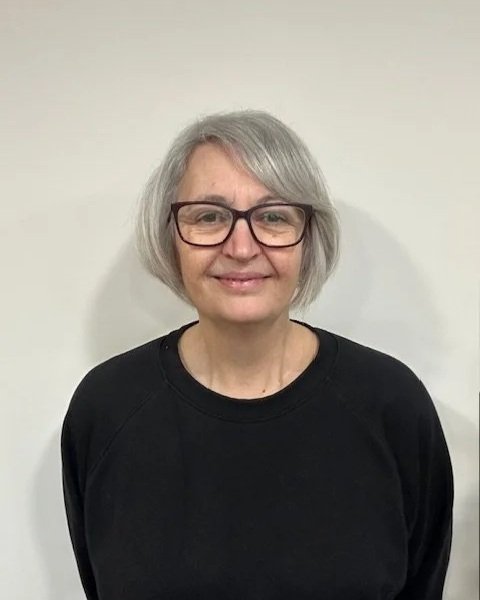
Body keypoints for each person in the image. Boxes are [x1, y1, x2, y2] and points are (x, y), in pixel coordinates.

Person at [61, 110, 453, 599]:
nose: (242, 248)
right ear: (170, 236)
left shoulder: (392, 404)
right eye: (209, 216)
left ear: (309, 236)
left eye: (273, 217)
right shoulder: (106, 408)